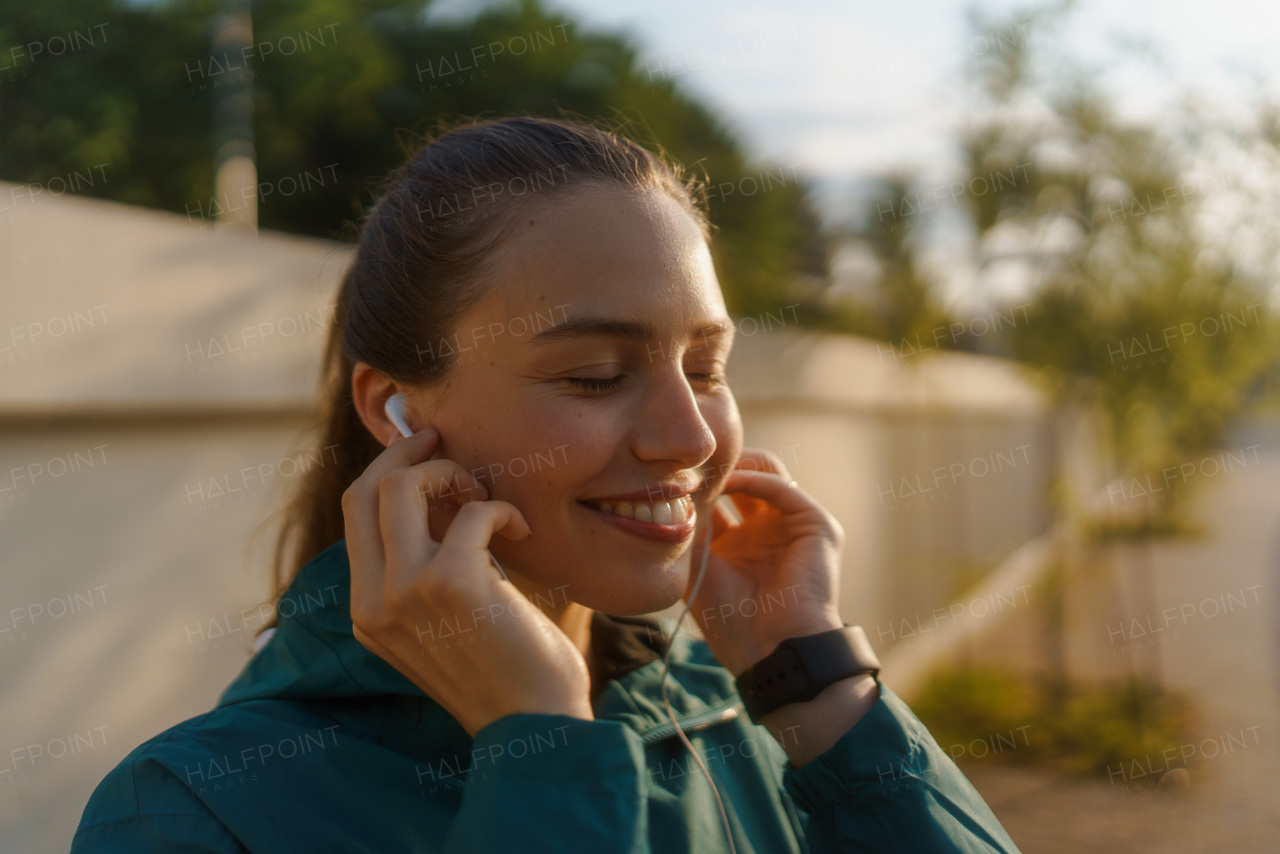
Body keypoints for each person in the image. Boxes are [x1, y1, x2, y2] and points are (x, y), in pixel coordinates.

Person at [71, 115, 1022, 853]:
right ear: (396, 410)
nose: (689, 438)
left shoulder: (732, 704)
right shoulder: (193, 813)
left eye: (704, 366)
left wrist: (809, 676)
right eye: (595, 377)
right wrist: (540, 750)